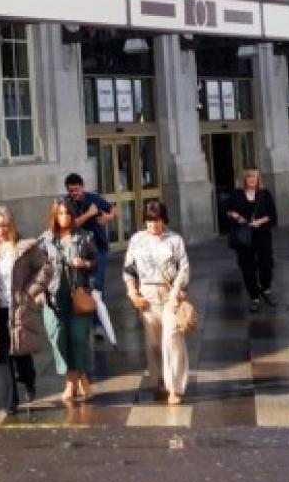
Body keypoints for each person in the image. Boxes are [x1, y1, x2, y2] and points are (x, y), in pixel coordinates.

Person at [0, 206, 50, 415]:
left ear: (12, 225)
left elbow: (45, 268)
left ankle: (29, 380)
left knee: (21, 355)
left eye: (5, 226)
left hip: (19, 306)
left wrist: (31, 290)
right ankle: (10, 403)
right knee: (2, 355)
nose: (1, 230)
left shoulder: (25, 246)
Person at [123, 201, 192, 405]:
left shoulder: (175, 240)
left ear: (164, 220)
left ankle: (175, 387)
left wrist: (177, 292)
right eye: (149, 220)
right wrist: (132, 292)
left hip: (170, 295)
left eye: (156, 220)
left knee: (172, 340)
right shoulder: (137, 240)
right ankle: (160, 379)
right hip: (147, 297)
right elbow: (129, 268)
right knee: (153, 344)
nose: (152, 225)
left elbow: (184, 268)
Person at [38, 198, 98, 405]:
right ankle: (72, 379)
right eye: (61, 213)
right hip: (54, 298)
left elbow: (96, 263)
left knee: (79, 338)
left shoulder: (83, 237)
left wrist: (85, 263)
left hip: (78, 294)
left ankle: (80, 380)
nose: (65, 217)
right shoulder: (45, 240)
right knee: (59, 338)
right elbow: (36, 269)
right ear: (54, 215)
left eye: (68, 213)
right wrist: (38, 291)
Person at [224, 167, 277, 312]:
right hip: (244, 236)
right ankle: (254, 297)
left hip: (262, 234)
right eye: (249, 177)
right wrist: (236, 216)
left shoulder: (265, 194)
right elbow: (227, 211)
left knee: (266, 264)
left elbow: (272, 215)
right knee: (248, 268)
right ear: (244, 179)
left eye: (255, 177)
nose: (252, 180)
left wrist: (259, 221)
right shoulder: (236, 194)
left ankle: (265, 288)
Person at [62, 172, 118, 296]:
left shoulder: (93, 198)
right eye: (71, 191)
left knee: (97, 284)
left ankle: (98, 312)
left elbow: (113, 210)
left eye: (77, 189)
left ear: (83, 187)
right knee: (82, 284)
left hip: (99, 246)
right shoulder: (67, 203)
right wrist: (90, 213)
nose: (74, 193)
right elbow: (72, 224)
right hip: (80, 249)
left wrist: (108, 217)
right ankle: (86, 310)